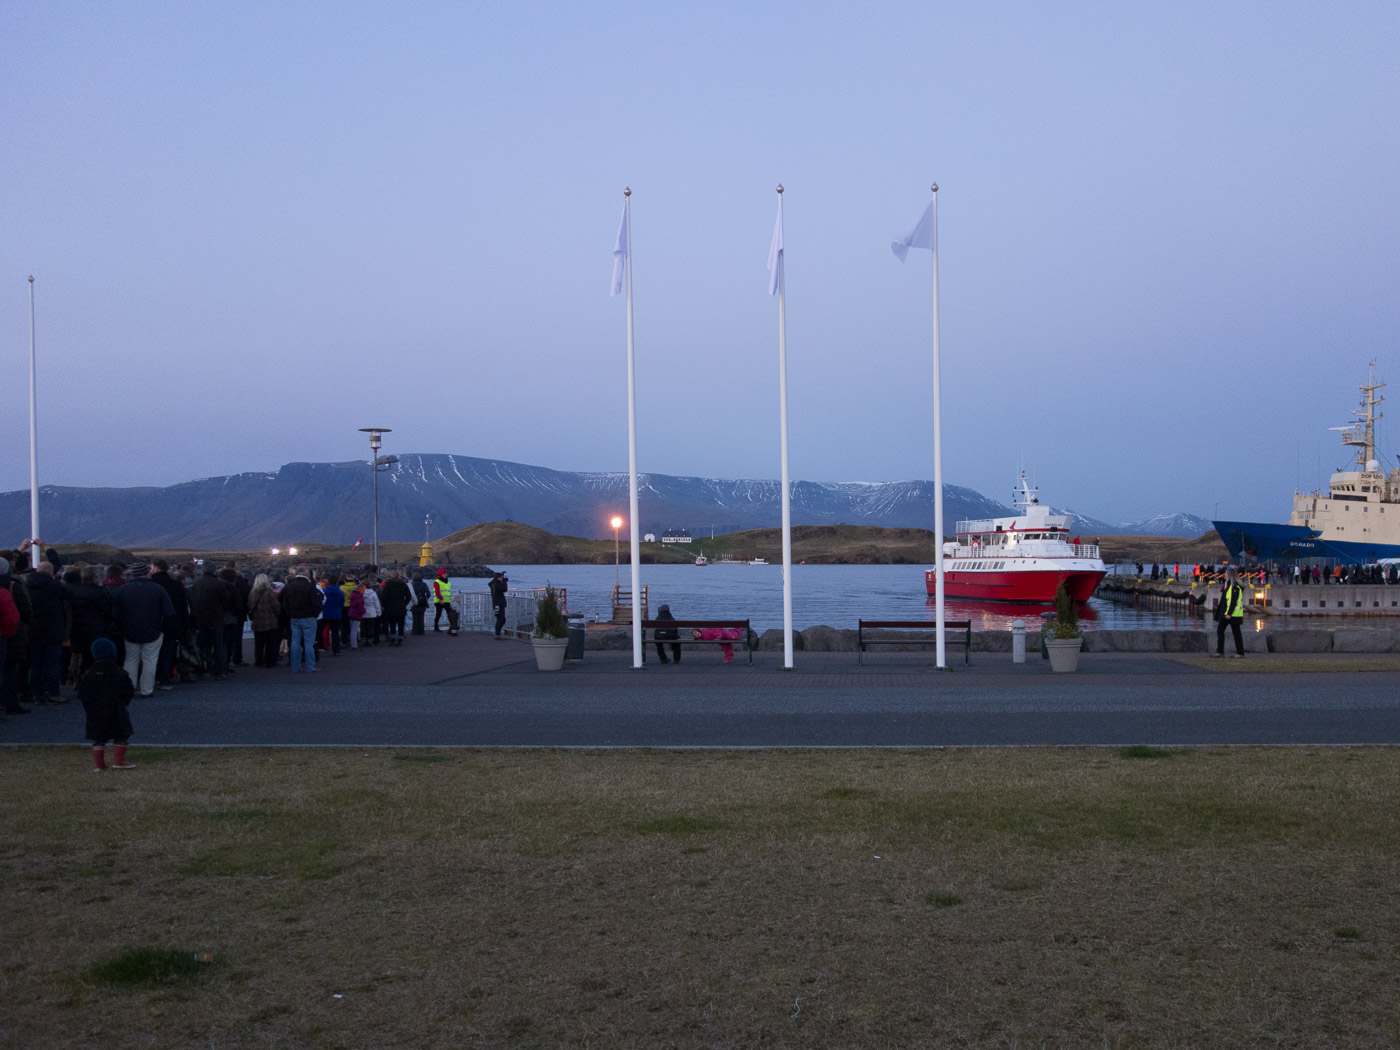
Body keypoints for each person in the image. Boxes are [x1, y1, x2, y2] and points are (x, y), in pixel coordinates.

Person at [111, 561, 175, 698]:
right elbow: (169, 612)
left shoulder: (123, 589)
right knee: (150, 660)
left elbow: (115, 613)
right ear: (147, 573)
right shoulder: (158, 589)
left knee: (131, 660)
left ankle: (130, 687)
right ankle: (147, 689)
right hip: (153, 630)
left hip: (130, 631)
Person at [79, 637, 136, 771]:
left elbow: (83, 692)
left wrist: (89, 707)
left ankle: (99, 764)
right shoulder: (118, 672)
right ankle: (119, 761)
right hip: (116, 709)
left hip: (95, 711)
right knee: (122, 734)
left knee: (98, 737)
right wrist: (124, 702)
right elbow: (128, 689)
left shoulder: (89, 674)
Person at [24, 561, 69, 704]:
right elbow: (69, 595)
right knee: (52, 663)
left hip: (33, 628)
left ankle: (37, 693)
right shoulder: (54, 585)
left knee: (36, 663)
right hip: (52, 628)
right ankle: (53, 693)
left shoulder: (27, 584)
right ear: (51, 571)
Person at [190, 565, 233, 679]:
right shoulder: (218, 583)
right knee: (218, 646)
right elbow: (226, 600)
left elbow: (193, 601)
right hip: (216, 619)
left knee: (204, 646)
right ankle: (220, 671)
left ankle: (204, 668)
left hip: (202, 620)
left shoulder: (197, 583)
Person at [281, 565, 323, 672]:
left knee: (295, 642)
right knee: (309, 643)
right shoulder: (310, 587)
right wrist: (315, 614)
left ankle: (295, 666)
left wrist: (290, 614)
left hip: (294, 617)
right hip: (308, 617)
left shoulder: (288, 587)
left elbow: (284, 604)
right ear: (307, 574)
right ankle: (310, 666)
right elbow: (316, 603)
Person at [247, 574, 282, 668]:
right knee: (271, 643)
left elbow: (250, 606)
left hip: (257, 621)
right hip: (270, 621)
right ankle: (269, 661)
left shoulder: (252, 593)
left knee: (259, 643)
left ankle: (259, 661)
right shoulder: (269, 592)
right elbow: (276, 606)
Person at [1212, 566, 1247, 659]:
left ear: (1230, 575)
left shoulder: (1234, 587)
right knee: (1232, 632)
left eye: (1226, 574)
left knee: (1229, 632)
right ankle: (1238, 652)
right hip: (1231, 614)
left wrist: (1228, 613)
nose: (1225, 576)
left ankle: (1223, 651)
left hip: (1232, 614)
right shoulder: (1230, 585)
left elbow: (1233, 601)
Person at [381, 571, 411, 646]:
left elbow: (383, 597)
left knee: (392, 624)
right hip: (401, 606)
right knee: (401, 624)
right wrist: (404, 603)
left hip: (390, 607)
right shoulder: (403, 584)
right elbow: (409, 596)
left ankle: (393, 639)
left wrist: (385, 605)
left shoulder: (388, 585)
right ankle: (400, 639)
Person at [318, 575, 344, 656]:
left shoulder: (325, 591)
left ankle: (321, 645)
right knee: (335, 633)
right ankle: (336, 650)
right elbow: (341, 603)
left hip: (325, 613)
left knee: (319, 629)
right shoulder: (340, 592)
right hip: (336, 613)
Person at [488, 571, 508, 639]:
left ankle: (497, 634)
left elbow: (490, 583)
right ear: (498, 578)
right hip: (500, 604)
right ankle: (497, 634)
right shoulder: (497, 584)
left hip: (496, 604)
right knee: (501, 619)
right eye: (501, 577)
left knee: (499, 618)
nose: (502, 578)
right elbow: (504, 589)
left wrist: (500, 575)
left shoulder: (493, 584)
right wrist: (505, 582)